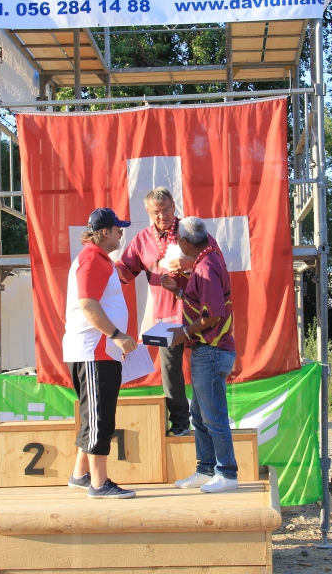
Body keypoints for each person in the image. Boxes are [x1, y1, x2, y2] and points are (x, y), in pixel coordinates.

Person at [116, 187, 218, 437]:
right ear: (149, 213)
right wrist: (101, 268)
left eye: (166, 209)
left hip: (198, 313)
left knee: (204, 368)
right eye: (156, 212)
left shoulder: (191, 231)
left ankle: (210, 424)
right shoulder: (142, 239)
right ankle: (180, 424)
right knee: (170, 373)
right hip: (165, 316)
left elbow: (216, 259)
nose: (162, 215)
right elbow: (124, 271)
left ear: (174, 206)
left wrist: (190, 263)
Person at [160, 216, 239, 493]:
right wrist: (180, 290)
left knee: (213, 416)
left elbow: (214, 312)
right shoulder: (209, 258)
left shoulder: (205, 266)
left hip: (211, 349)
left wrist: (183, 333)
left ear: (183, 242)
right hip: (209, 350)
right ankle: (206, 469)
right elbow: (205, 301)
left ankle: (227, 473)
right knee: (200, 414)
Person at [64, 207, 138, 499]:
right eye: (118, 228)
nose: (121, 232)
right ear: (104, 232)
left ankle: (81, 475)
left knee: (93, 415)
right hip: (94, 351)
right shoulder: (92, 258)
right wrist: (117, 335)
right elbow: (88, 304)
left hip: (99, 351)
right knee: (99, 418)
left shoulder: (99, 258)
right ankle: (98, 484)